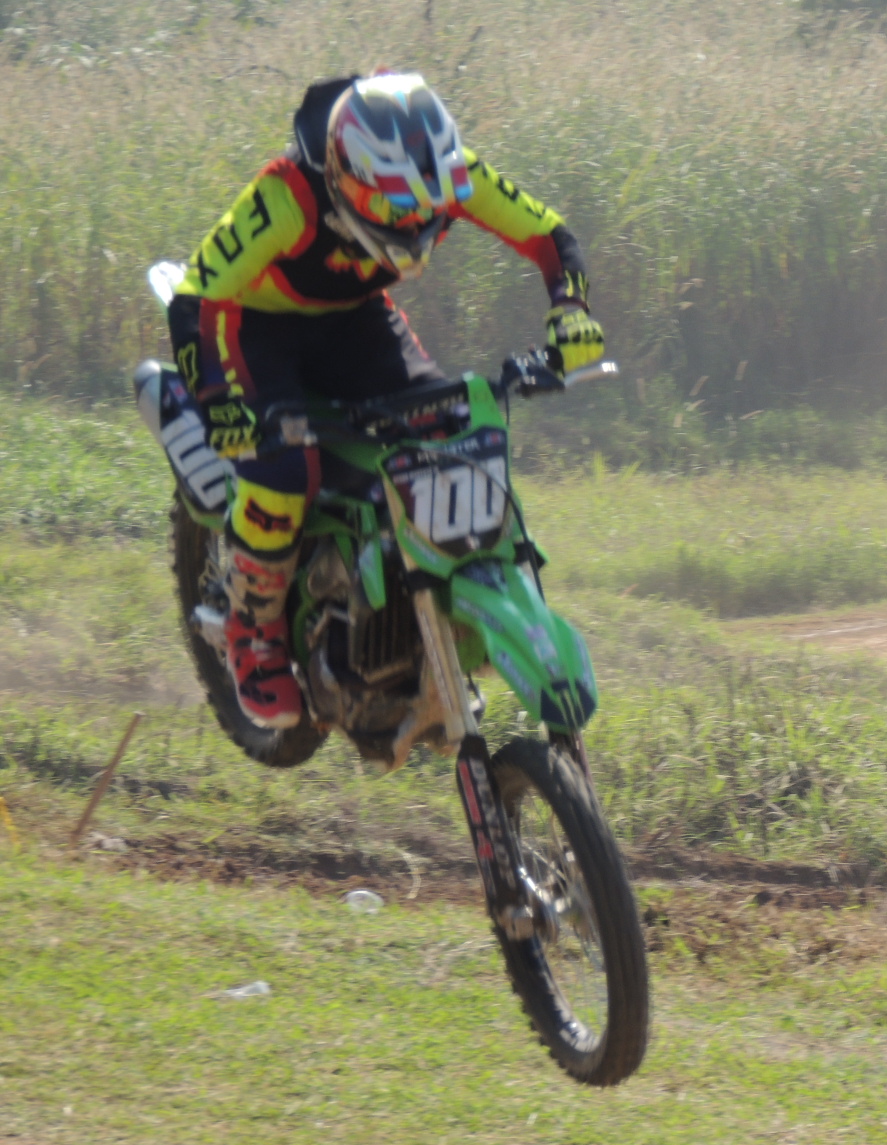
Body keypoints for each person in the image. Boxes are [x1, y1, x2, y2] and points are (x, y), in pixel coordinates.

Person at [165, 72, 604, 731]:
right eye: (397, 210)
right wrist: (220, 400)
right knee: (285, 470)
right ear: (345, 179)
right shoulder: (287, 195)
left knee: (449, 433)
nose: (419, 222)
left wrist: (570, 311)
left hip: (354, 320)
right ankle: (253, 631)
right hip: (257, 328)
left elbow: (548, 235)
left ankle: (432, 612)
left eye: (430, 207)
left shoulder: (448, 178)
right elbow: (198, 295)